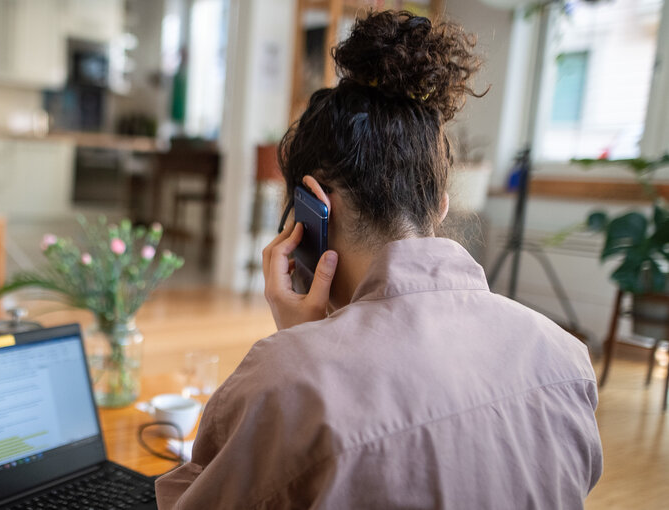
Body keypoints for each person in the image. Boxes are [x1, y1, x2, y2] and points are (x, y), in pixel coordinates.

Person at [155, 10, 602, 509]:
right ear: (441, 206)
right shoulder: (566, 359)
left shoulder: (284, 383)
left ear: (314, 206)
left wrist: (301, 346)